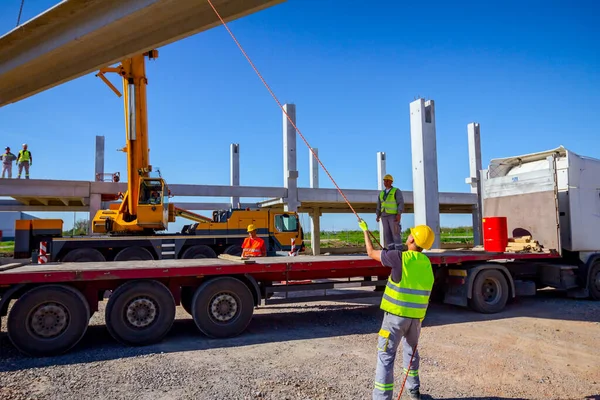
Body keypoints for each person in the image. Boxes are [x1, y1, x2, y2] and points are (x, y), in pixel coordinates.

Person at [358, 219, 435, 400]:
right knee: (411, 352)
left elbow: (371, 253)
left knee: (386, 357)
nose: (409, 235)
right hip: (416, 319)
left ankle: (382, 397)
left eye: (411, 234)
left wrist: (365, 231)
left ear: (412, 240)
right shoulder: (426, 263)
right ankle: (413, 391)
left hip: (395, 317)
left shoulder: (399, 258)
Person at [376, 174, 405, 250]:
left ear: (391, 182)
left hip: (393, 215)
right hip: (384, 215)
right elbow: (379, 205)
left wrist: (399, 214)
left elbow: (400, 203)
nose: (385, 182)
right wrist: (378, 215)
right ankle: (391, 249)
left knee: (395, 232)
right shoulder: (381, 193)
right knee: (387, 233)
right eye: (384, 181)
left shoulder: (396, 191)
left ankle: (399, 250)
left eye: (387, 181)